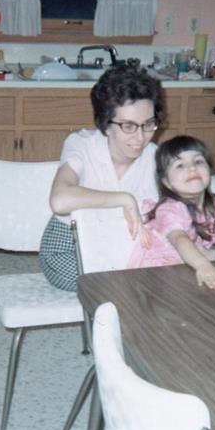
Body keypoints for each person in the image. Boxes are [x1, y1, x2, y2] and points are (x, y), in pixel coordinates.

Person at [39, 64, 166, 291]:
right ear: (106, 125)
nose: (140, 137)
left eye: (148, 124)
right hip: (70, 247)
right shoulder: (82, 144)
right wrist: (124, 199)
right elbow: (59, 201)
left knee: (160, 279)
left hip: (124, 250)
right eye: (128, 126)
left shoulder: (156, 158)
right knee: (119, 283)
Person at [127, 135, 215, 289]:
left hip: (196, 266)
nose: (192, 168)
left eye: (198, 161)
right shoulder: (169, 208)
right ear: (166, 182)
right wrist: (203, 264)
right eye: (180, 165)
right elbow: (180, 239)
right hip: (162, 272)